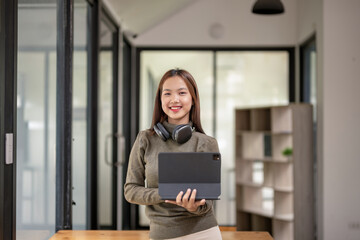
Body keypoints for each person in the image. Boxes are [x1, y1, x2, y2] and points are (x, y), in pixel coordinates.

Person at [124, 69, 222, 240]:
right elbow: (130, 190)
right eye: (167, 93)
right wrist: (165, 193)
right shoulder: (145, 139)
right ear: (160, 100)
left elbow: (208, 201)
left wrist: (193, 207)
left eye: (182, 93)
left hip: (203, 233)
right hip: (160, 235)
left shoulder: (207, 143)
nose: (174, 99)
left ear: (193, 100)